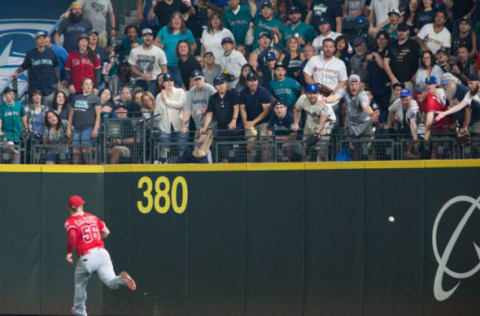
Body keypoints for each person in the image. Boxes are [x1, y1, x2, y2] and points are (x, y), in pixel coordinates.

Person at [64, 195, 136, 316]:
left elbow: (72, 237)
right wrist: (95, 239)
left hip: (87, 257)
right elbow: (106, 232)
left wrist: (69, 253)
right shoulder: (93, 217)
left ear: (70, 208)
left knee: (80, 284)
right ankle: (123, 280)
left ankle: (79, 311)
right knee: (112, 282)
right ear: (81, 205)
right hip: (102, 254)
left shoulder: (70, 221)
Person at [328, 75, 379, 159]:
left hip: (365, 124)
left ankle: (372, 167)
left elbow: (365, 106)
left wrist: (371, 114)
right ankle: (356, 167)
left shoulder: (363, 95)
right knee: (354, 148)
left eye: (356, 84)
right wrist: (325, 100)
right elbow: (335, 97)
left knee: (368, 148)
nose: (354, 87)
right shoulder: (344, 90)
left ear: (359, 85)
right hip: (351, 124)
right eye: (352, 84)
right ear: (348, 85)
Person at [11, 31, 59, 107]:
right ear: (36, 41)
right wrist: (16, 72)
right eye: (39, 39)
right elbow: (24, 66)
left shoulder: (51, 53)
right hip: (35, 90)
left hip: (48, 89)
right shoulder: (30, 53)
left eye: (43, 38)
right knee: (36, 113)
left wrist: (58, 81)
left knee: (49, 113)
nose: (42, 40)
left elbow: (55, 68)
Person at [201, 75, 242, 162]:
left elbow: (236, 107)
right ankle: (226, 167)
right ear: (215, 87)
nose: (221, 86)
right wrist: (204, 127)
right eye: (218, 84)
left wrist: (234, 120)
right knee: (224, 151)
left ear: (226, 84)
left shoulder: (233, 93)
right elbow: (209, 114)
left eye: (222, 83)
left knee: (238, 150)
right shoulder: (213, 98)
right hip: (222, 128)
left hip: (235, 126)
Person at [292, 84, 337, 161]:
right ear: (306, 93)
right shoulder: (302, 99)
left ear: (318, 93)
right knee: (305, 145)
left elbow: (324, 117)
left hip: (327, 121)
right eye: (310, 93)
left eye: (314, 93)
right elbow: (296, 109)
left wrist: (317, 132)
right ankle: (305, 166)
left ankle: (322, 165)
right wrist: (296, 123)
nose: (312, 95)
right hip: (312, 117)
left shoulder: (322, 102)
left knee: (321, 150)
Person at [181, 69, 217, 162]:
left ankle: (209, 171)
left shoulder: (210, 89)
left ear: (204, 78)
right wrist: (184, 125)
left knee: (201, 150)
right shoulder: (191, 92)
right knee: (197, 152)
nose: (198, 81)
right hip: (199, 127)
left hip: (210, 126)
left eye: (199, 79)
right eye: (195, 80)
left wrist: (206, 110)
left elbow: (217, 106)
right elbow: (187, 110)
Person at [155, 12, 197, 87]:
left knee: (180, 86)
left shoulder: (187, 32)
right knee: (167, 85)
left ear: (182, 21)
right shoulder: (164, 29)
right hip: (165, 65)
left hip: (180, 64)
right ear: (171, 21)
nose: (177, 20)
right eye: (174, 18)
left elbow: (194, 46)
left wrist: (187, 53)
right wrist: (159, 45)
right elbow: (155, 43)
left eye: (179, 18)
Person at [303, 38, 348, 107]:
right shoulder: (314, 59)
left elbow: (343, 81)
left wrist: (333, 93)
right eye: (326, 46)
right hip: (315, 97)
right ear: (322, 48)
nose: (328, 49)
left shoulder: (340, 63)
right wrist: (315, 86)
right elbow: (306, 74)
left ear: (334, 49)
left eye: (331, 47)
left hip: (332, 100)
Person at [153, 74, 187, 162]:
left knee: (181, 148)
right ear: (163, 84)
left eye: (171, 80)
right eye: (167, 81)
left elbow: (180, 104)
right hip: (165, 127)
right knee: (164, 148)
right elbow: (157, 114)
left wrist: (166, 101)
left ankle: (181, 164)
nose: (169, 83)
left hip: (180, 126)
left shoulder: (180, 91)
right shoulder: (159, 96)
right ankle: (164, 162)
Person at [67, 78, 102, 164]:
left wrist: (95, 129)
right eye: (86, 84)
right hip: (76, 128)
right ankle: (76, 170)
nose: (88, 86)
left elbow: (98, 116)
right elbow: (71, 115)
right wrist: (68, 128)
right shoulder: (76, 98)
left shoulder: (95, 98)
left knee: (86, 149)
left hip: (88, 127)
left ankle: (89, 170)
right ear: (82, 86)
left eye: (90, 84)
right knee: (75, 150)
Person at [239, 71, 272, 162]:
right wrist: (245, 122)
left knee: (264, 142)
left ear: (258, 81)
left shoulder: (264, 92)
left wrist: (253, 122)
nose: (253, 83)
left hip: (263, 122)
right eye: (250, 81)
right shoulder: (243, 93)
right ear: (246, 82)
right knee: (250, 143)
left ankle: (266, 166)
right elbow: (242, 109)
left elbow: (266, 111)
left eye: (255, 80)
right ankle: (250, 167)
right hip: (250, 122)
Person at [129, 28, 168, 94]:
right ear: (142, 38)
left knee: (150, 95)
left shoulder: (160, 52)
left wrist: (162, 81)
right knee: (137, 95)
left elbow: (164, 68)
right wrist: (142, 75)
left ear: (152, 37)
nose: (147, 37)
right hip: (139, 79)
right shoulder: (134, 51)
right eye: (145, 35)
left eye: (150, 35)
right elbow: (132, 67)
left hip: (154, 80)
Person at [384, 23, 421, 91]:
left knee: (408, 101)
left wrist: (416, 74)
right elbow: (385, 63)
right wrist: (392, 78)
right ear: (397, 31)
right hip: (395, 82)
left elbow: (421, 60)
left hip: (409, 81)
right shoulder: (391, 44)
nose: (401, 33)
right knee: (395, 101)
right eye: (400, 30)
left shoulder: (414, 44)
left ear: (408, 31)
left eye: (404, 30)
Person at [0, 87, 27, 164]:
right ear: (5, 95)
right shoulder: (1, 107)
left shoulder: (18, 104)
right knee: (12, 150)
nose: (12, 95)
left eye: (13, 94)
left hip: (18, 134)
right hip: (7, 134)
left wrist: (26, 127)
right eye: (9, 94)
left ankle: (15, 171)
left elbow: (23, 116)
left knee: (15, 154)